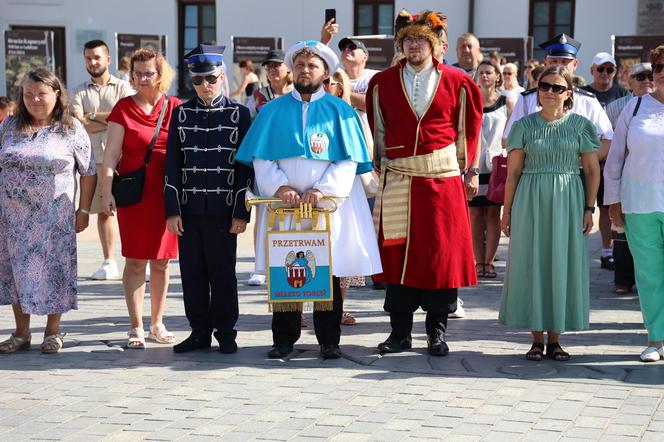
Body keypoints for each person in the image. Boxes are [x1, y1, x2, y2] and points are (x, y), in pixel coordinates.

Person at [236, 40, 382, 360]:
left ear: (325, 72)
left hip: (326, 207)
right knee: (285, 269)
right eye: (300, 65)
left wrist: (321, 190)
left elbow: (348, 161)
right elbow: (260, 157)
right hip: (285, 207)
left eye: (312, 66)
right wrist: (279, 187)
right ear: (293, 69)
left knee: (327, 272)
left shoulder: (340, 111)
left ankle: (329, 340)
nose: (305, 70)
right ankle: (284, 339)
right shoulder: (272, 111)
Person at [367, 15, 483, 356]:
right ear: (400, 45)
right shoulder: (383, 82)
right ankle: (399, 332)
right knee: (399, 255)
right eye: (408, 40)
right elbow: (379, 128)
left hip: (441, 180)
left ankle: (437, 332)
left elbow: (468, 130)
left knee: (440, 257)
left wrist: (470, 169)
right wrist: (382, 163)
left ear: (434, 45)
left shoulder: (458, 82)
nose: (414, 45)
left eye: (421, 39)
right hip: (401, 177)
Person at [499, 66, 601, 362]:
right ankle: (534, 339)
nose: (549, 92)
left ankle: (555, 339)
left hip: (569, 199)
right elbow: (513, 173)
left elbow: (593, 171)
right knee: (533, 261)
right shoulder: (523, 126)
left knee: (562, 262)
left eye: (557, 87)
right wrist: (507, 212)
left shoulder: (582, 125)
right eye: (544, 86)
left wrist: (589, 207)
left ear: (569, 93)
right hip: (530, 198)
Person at [0, 68, 96, 354]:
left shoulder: (71, 128)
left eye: (41, 93)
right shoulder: (8, 126)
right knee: (16, 272)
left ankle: (53, 332)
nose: (34, 100)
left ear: (56, 94)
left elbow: (88, 171)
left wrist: (84, 210)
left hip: (54, 217)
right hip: (12, 218)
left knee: (55, 271)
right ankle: (21, 333)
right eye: (28, 94)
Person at [165, 44, 253, 354]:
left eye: (211, 79)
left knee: (222, 273)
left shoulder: (239, 114)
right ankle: (199, 331)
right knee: (192, 273)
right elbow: (172, 163)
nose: (205, 86)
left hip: (223, 211)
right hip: (189, 209)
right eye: (198, 80)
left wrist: (241, 212)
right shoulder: (181, 113)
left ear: (222, 75)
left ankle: (226, 332)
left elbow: (245, 167)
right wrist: (172, 210)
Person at [101, 48, 181, 349]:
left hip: (167, 194)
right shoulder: (123, 107)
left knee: (162, 261)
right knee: (135, 261)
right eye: (137, 73)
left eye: (149, 73)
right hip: (134, 194)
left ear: (161, 74)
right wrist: (106, 191)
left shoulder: (174, 106)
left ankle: (157, 324)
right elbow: (111, 154)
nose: (142, 78)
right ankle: (135, 326)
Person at [604, 46, 664, 362]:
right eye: (658, 66)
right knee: (650, 274)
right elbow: (614, 159)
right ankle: (657, 339)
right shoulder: (636, 107)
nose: (663, 71)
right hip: (640, 204)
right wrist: (613, 200)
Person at [71, 39, 134, 281]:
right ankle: (109, 261)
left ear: (108, 59)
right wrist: (111, 118)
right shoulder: (78, 91)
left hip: (125, 157)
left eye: (97, 57)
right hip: (94, 158)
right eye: (88, 58)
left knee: (131, 210)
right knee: (104, 212)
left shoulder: (123, 87)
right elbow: (79, 122)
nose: (92, 62)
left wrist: (93, 116)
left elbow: (127, 115)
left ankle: (138, 259)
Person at [323, 68, 370, 326]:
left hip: (344, 188)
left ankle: (338, 309)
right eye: (326, 81)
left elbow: (361, 151)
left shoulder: (348, 113)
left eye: (334, 82)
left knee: (342, 247)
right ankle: (296, 310)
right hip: (313, 188)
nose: (329, 85)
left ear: (342, 87)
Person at [604, 63, 654, 295]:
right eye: (639, 76)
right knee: (622, 234)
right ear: (629, 80)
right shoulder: (619, 108)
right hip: (628, 181)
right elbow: (611, 147)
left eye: (650, 75)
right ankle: (623, 279)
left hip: (654, 186)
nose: (646, 79)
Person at [246, 49, 294, 288]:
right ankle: (260, 266)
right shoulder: (260, 94)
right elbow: (254, 120)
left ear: (288, 68)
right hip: (266, 158)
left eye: (277, 65)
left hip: (291, 159)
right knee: (264, 211)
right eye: (268, 66)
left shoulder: (297, 93)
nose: (273, 69)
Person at [581, 52, 630, 270]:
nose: (605, 74)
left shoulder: (622, 95)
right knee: (584, 207)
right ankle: (581, 248)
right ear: (592, 71)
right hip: (585, 160)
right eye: (600, 69)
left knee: (607, 206)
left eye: (609, 69)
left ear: (615, 72)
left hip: (612, 162)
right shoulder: (583, 95)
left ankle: (606, 250)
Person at [471, 61, 512, 279]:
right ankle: (478, 262)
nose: (485, 76)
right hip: (475, 166)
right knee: (476, 214)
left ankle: (489, 261)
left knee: (494, 214)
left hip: (497, 165)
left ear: (497, 76)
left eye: (489, 72)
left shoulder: (507, 102)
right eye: (481, 72)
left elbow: (512, 132)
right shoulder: (470, 101)